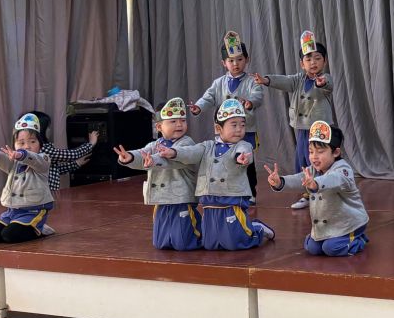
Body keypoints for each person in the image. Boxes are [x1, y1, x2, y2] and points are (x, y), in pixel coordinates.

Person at [155, 99, 274, 250]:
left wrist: (241, 158)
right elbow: (191, 152)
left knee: (234, 242)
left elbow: (244, 152)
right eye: (234, 125)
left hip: (231, 198)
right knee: (210, 244)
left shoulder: (243, 145)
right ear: (218, 128)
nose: (239, 129)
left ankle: (256, 228)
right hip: (209, 200)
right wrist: (173, 152)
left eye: (242, 125)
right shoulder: (207, 146)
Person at [253, 30, 335, 210]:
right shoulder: (298, 79)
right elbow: (284, 81)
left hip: (319, 130)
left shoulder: (325, 78)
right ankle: (307, 193)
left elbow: (327, 85)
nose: (313, 62)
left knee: (320, 159)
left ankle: (323, 191)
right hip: (302, 129)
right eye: (308, 59)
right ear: (302, 64)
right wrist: (266, 80)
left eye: (317, 58)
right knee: (302, 159)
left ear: (325, 61)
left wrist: (321, 83)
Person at [265, 120, 368, 256]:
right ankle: (330, 239)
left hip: (349, 224)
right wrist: (280, 182)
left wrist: (315, 184)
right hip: (329, 225)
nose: (314, 157)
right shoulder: (313, 170)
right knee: (313, 248)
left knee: (331, 248)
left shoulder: (343, 170)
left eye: (320, 151)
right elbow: (299, 178)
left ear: (336, 152)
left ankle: (359, 240)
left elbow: (334, 179)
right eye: (311, 151)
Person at [113, 98, 201, 250]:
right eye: (173, 121)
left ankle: (200, 236)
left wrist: (156, 159)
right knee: (161, 242)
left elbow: (178, 158)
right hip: (161, 199)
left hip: (181, 198)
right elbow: (142, 154)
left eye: (182, 120)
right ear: (159, 126)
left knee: (183, 242)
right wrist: (129, 157)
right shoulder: (154, 145)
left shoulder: (186, 143)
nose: (179, 124)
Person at [191, 31, 264, 197]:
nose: (235, 64)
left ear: (247, 59)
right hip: (224, 133)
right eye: (231, 60)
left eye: (240, 59)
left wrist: (250, 102)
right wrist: (199, 107)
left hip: (246, 131)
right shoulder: (219, 83)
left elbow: (258, 96)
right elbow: (208, 97)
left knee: (246, 161)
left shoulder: (252, 81)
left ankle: (250, 193)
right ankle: (226, 190)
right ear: (224, 63)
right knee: (225, 161)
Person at [0, 113, 56, 243]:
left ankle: (40, 228)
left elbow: (33, 159)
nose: (27, 146)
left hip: (34, 210)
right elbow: (3, 160)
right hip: (12, 211)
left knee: (10, 235)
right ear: (14, 145)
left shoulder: (43, 159)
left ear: (40, 144)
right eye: (21, 143)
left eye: (32, 141)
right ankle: (25, 226)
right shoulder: (14, 163)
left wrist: (22, 155)